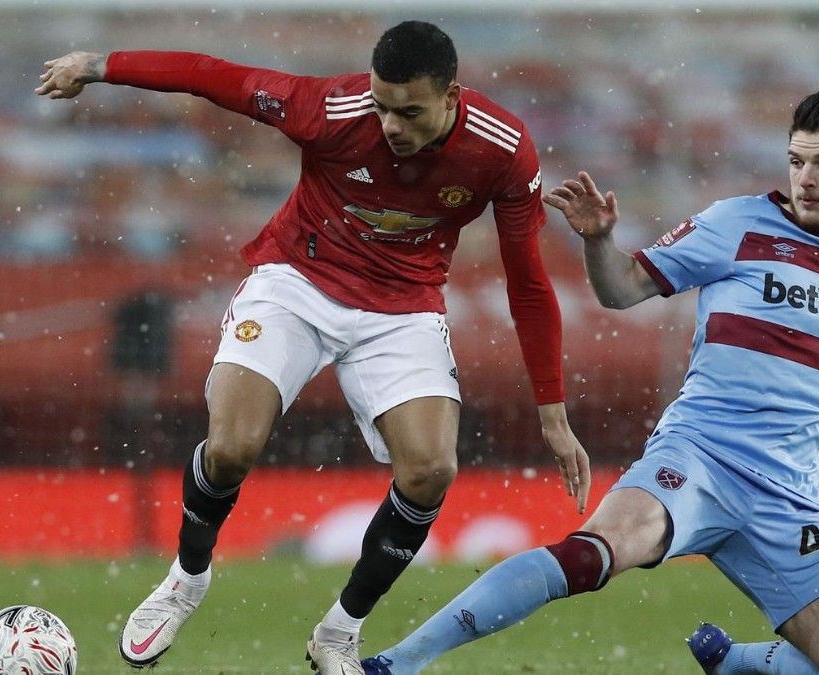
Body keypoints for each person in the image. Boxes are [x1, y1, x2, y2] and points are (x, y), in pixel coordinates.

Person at [353, 83, 819, 675]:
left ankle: (736, 660)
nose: (806, 178)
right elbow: (621, 290)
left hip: (791, 499)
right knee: (592, 556)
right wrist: (597, 241)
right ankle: (396, 662)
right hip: (698, 459)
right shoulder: (736, 224)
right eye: (797, 161)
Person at [35, 20, 591, 675]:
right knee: (233, 445)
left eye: (409, 111)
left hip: (403, 306)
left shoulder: (502, 150)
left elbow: (527, 277)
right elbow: (216, 78)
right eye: (384, 106)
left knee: (430, 469)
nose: (390, 124)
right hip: (298, 281)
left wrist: (552, 412)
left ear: (451, 95)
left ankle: (339, 630)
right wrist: (98, 64)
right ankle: (186, 577)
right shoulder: (331, 110)